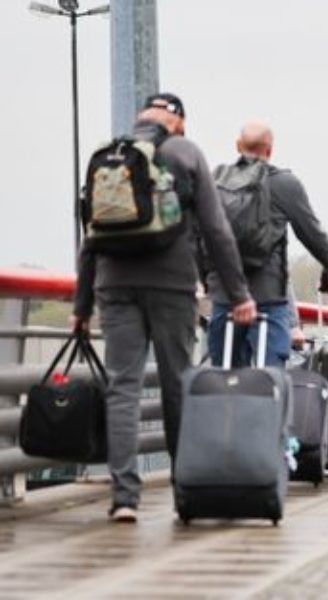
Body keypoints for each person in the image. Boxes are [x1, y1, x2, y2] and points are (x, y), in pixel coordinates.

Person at [72, 93, 256, 523]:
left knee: (122, 387)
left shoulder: (109, 153)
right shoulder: (186, 152)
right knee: (177, 385)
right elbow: (216, 229)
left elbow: (91, 234)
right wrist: (240, 294)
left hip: (113, 285)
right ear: (179, 122)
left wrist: (81, 305)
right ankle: (185, 492)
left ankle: (124, 497)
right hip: (171, 284)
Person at [205, 121, 328, 368]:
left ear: (238, 146)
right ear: (269, 150)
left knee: (224, 378)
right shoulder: (284, 183)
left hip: (225, 295)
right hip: (268, 295)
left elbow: (200, 233)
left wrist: (208, 279)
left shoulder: (215, 181)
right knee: (271, 379)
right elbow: (311, 233)